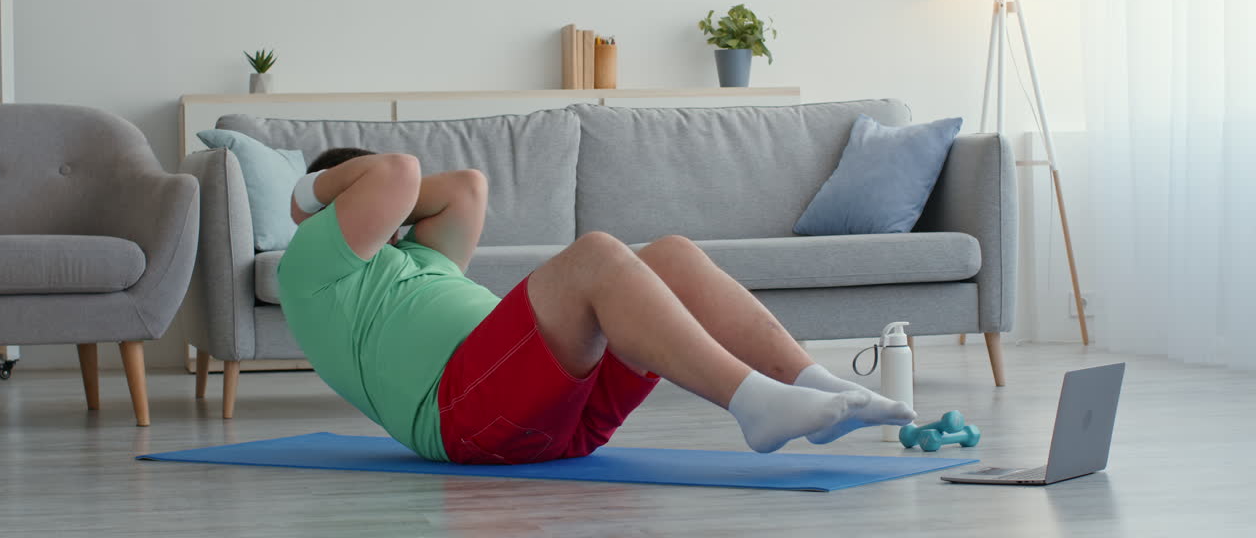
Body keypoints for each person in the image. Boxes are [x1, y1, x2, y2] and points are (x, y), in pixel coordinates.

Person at [278, 148, 916, 465]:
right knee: (594, 256)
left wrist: (384, 212)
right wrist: (308, 196)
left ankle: (811, 383)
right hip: (463, 419)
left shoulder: (419, 257)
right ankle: (755, 403)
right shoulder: (312, 261)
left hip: (556, 420)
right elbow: (399, 174)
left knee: (669, 254)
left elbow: (467, 189)